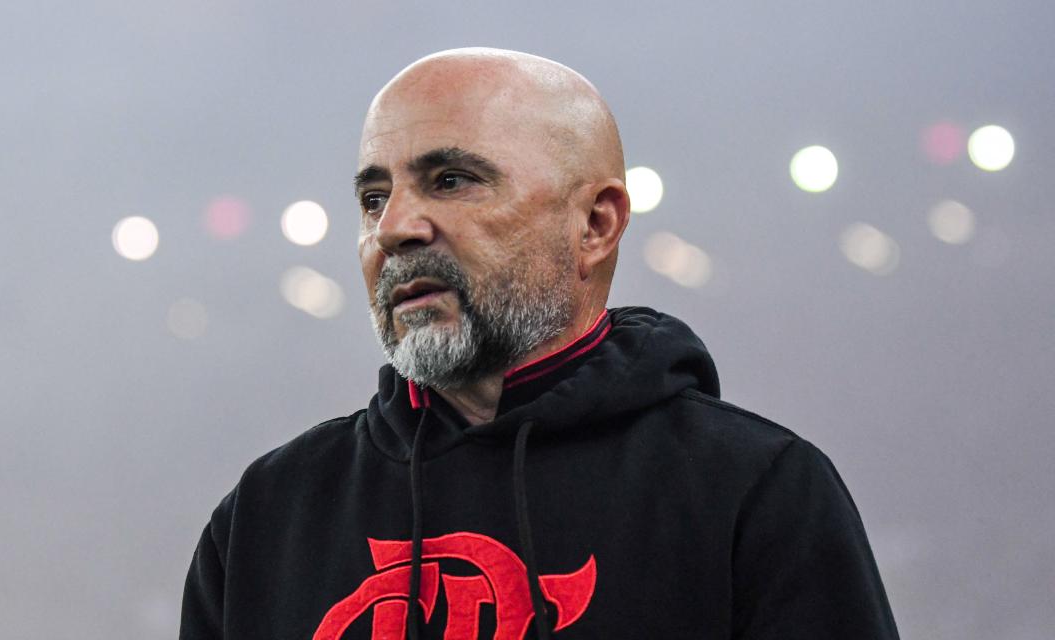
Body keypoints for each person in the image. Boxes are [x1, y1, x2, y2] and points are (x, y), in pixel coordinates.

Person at [180, 48, 899, 639]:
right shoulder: (267, 515)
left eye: (451, 180)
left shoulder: (755, 490)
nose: (393, 228)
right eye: (374, 198)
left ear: (595, 225)